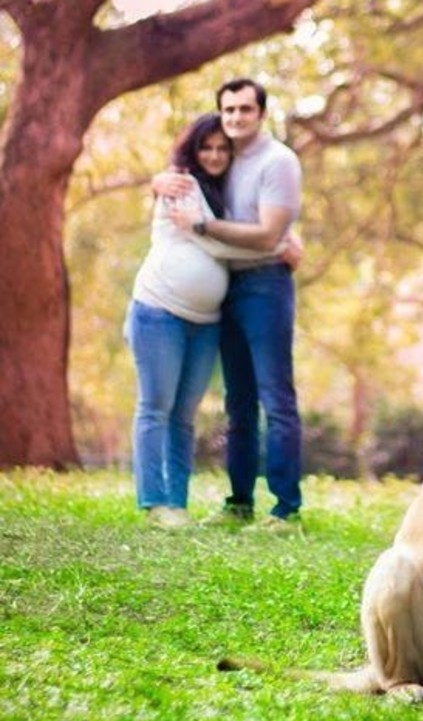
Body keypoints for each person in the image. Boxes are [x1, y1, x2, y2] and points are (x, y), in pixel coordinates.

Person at [127, 113, 291, 529]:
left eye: (222, 148)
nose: (216, 155)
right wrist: (275, 247)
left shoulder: (224, 194)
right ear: (193, 149)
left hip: (205, 320)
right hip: (159, 310)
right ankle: (153, 501)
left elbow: (245, 225)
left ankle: (176, 504)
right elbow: (214, 243)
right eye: (207, 147)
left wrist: (282, 236)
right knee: (154, 408)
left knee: (184, 414)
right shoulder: (181, 182)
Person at [159, 78, 304, 533]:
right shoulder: (221, 156)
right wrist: (157, 180)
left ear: (261, 113)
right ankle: (239, 501)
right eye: (229, 110)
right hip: (228, 287)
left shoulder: (278, 161)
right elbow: (179, 173)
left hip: (265, 285)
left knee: (275, 399)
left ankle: (285, 509)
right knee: (238, 402)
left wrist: (204, 227)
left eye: (245, 109)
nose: (236, 118)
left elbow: (266, 235)